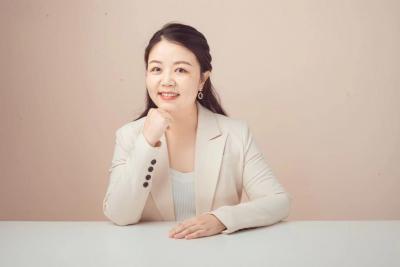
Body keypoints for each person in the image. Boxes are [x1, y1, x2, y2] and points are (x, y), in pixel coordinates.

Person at [103, 22, 292, 240]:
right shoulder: (128, 136)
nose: (166, 81)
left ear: (202, 78)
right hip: (150, 257)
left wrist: (220, 219)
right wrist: (147, 142)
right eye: (156, 69)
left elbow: (279, 202)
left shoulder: (236, 134)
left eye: (180, 70)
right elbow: (119, 214)